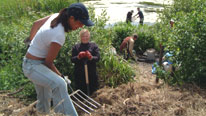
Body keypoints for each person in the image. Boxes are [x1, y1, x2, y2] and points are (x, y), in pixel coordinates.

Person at [22, 3, 94, 116]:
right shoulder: (59, 34)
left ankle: (42, 114)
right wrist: (62, 77)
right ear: (71, 18)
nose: (81, 26)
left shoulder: (56, 16)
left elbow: (35, 24)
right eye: (80, 22)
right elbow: (48, 62)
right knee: (60, 84)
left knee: (44, 97)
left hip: (33, 64)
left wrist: (31, 43)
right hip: (33, 67)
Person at [71, 29, 100, 95]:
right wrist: (78, 57)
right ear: (80, 37)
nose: (85, 38)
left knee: (93, 91)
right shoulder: (76, 47)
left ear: (89, 36)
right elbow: (72, 59)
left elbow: (98, 58)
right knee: (81, 92)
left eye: (86, 36)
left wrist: (91, 57)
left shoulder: (93, 46)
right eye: (83, 36)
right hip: (80, 74)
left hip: (91, 73)